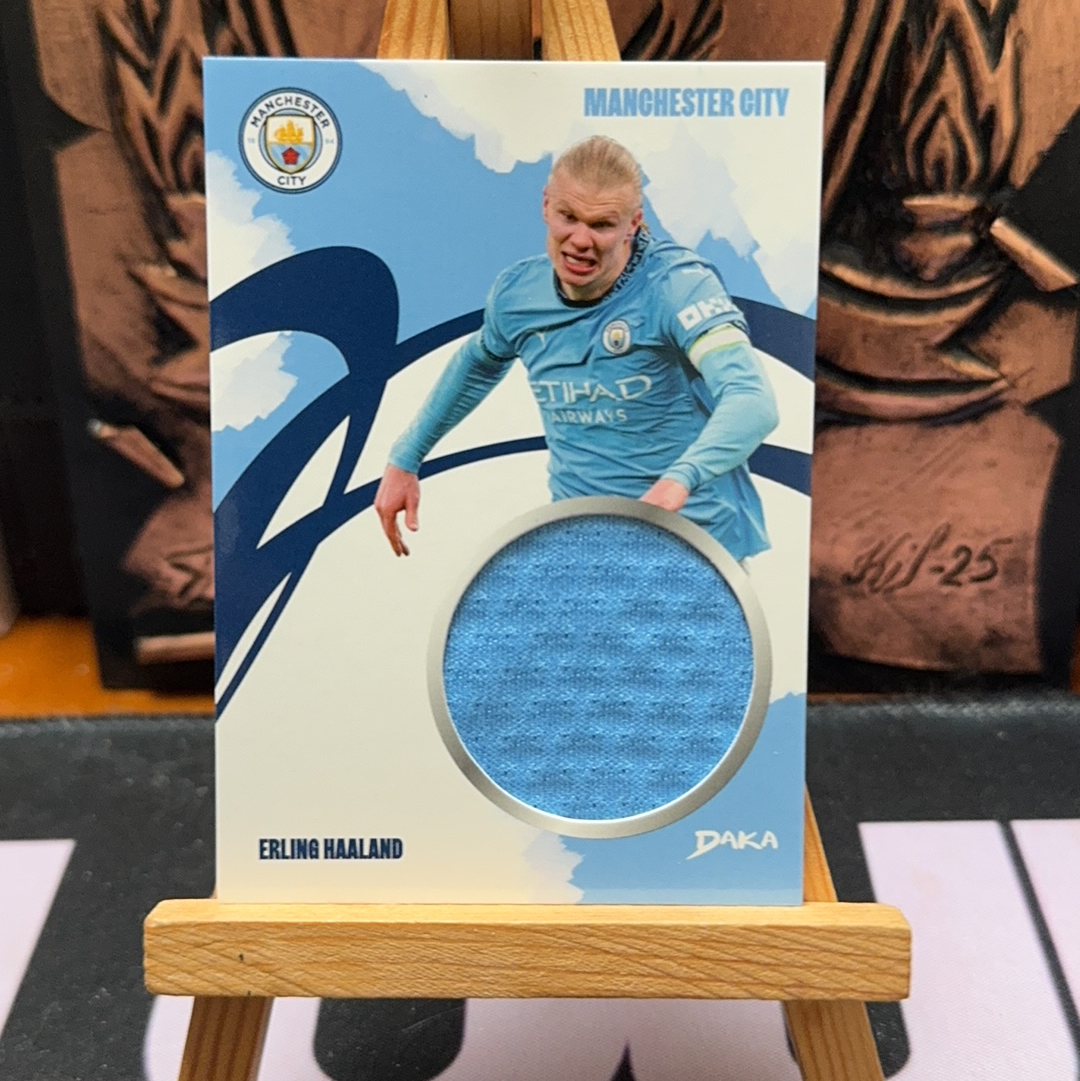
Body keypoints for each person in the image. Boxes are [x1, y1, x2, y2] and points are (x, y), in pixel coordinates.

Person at [375, 135, 778, 558]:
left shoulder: (678, 286)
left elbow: (752, 400)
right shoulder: (518, 295)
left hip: (691, 542)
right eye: (568, 217)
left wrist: (677, 483)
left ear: (633, 224)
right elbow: (478, 364)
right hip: (580, 540)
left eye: (602, 225)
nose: (581, 240)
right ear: (546, 204)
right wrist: (406, 457)